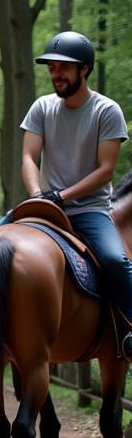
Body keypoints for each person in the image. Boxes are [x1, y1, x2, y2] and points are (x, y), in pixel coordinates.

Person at [19, 30, 132, 361]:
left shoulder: (106, 111)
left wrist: (62, 197)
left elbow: (106, 170)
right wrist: (38, 195)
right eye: (52, 68)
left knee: (115, 259)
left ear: (84, 69)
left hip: (90, 209)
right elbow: (29, 157)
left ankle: (129, 328)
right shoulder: (41, 107)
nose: (56, 74)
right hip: (44, 204)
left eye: (63, 68)